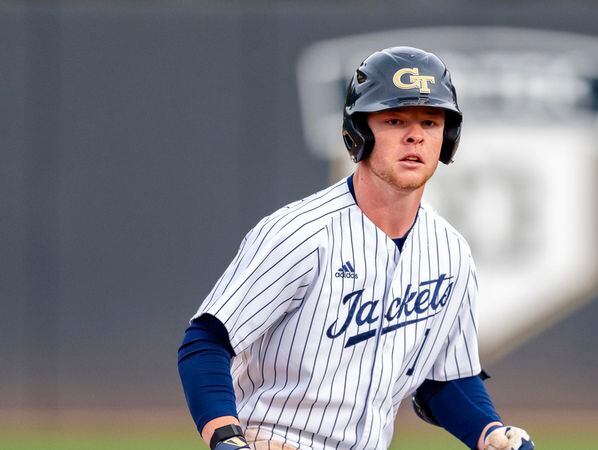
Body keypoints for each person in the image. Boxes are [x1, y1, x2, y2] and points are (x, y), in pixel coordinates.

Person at [178, 46, 533, 450]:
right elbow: (207, 340)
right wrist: (225, 435)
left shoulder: (451, 253)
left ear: (447, 138)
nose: (415, 135)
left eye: (431, 122)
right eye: (395, 119)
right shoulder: (300, 233)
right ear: (359, 132)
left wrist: (489, 432)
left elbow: (442, 381)